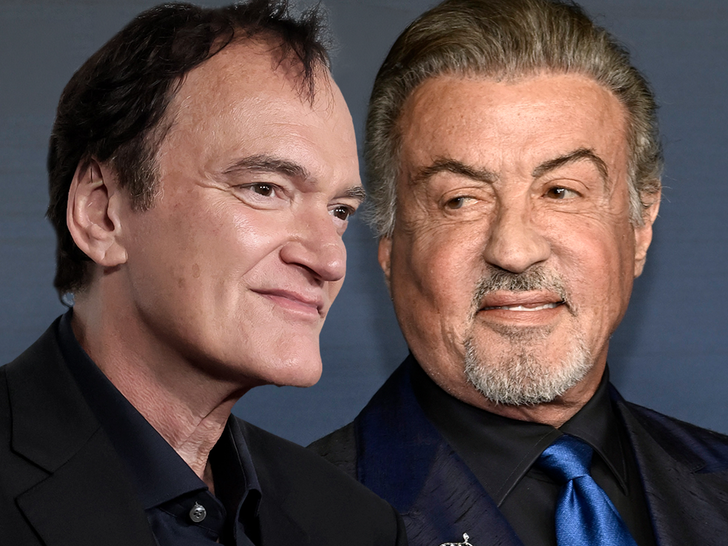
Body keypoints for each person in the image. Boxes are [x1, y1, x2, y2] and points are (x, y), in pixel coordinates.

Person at [310, 1, 728, 545]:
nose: (513, 250)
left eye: (561, 191)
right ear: (389, 243)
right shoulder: (288, 523)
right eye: (461, 200)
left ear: (640, 226)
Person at [0, 2, 407, 545]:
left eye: (339, 211)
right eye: (265, 189)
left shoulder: (356, 527)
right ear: (102, 215)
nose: (329, 261)